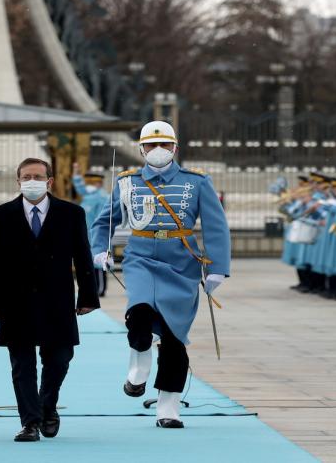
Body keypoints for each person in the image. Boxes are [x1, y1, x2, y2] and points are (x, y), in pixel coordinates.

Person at [90, 120, 231, 429]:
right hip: (140, 256)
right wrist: (99, 249)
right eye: (151, 146)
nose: (157, 151)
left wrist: (218, 267)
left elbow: (215, 226)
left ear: (175, 148)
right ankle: (139, 363)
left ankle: (168, 406)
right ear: (141, 149)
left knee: (173, 338)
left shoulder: (197, 182)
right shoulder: (127, 181)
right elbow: (104, 221)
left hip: (182, 262)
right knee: (138, 311)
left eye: (164, 145)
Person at [0, 158, 100, 442]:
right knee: (22, 365)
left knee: (59, 359)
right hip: (15, 300)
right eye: (26, 176)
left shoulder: (71, 213)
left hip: (56, 298)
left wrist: (88, 295)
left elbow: (83, 255)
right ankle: (30, 422)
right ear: (18, 180)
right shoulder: (0, 214)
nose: (31, 181)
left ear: (49, 181)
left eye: (37, 176)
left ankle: (48, 406)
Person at [72, 163, 110, 297]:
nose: (86, 185)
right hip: (87, 235)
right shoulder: (89, 195)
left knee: (99, 263)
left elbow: (104, 220)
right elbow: (80, 188)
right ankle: (94, 287)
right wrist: (76, 173)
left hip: (98, 235)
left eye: (90, 183)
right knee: (91, 263)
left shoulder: (102, 197)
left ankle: (100, 289)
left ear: (98, 184)